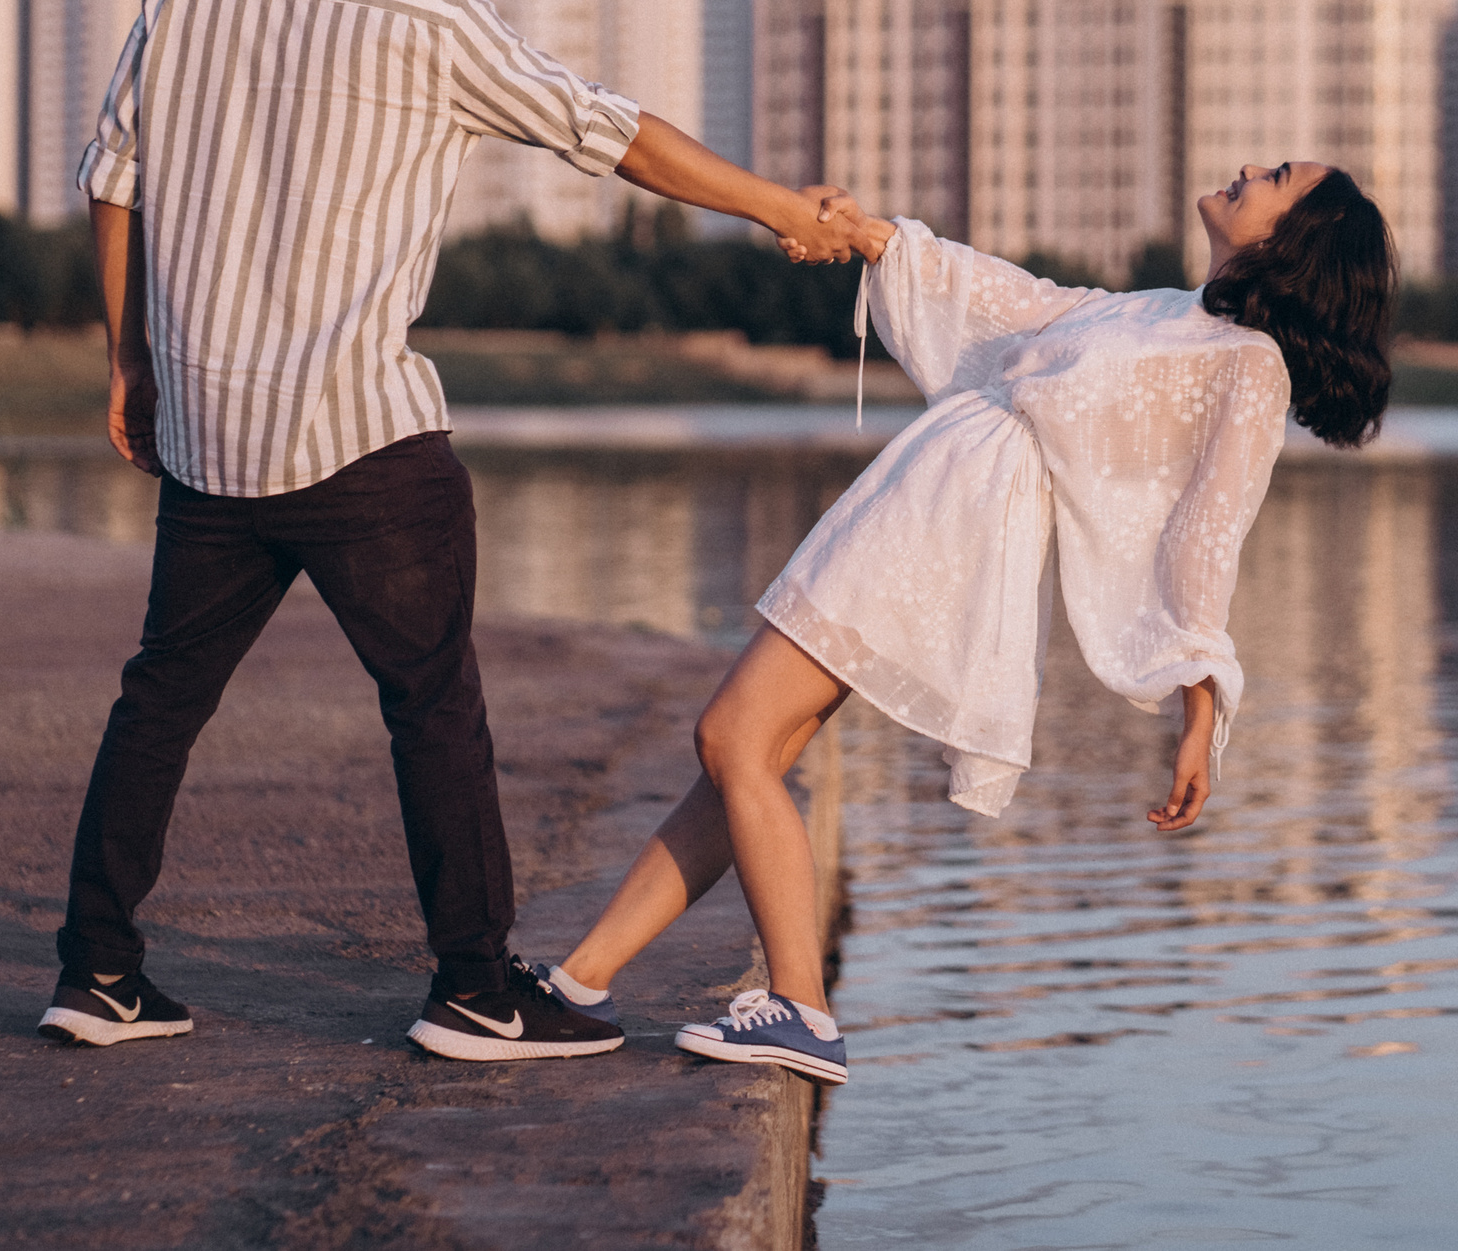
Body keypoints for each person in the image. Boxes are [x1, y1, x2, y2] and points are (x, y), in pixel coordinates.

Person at [36, 0, 857, 1062]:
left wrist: (128, 360)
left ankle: (96, 967)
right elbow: (612, 132)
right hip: (361, 434)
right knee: (435, 704)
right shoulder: (428, 14)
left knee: (162, 694)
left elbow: (113, 178)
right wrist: (778, 208)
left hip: (211, 431)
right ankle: (477, 988)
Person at [524, 161, 1397, 1083]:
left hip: (952, 523)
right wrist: (871, 237)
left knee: (731, 735)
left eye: (1277, 178)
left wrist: (1202, 702)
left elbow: (1206, 533)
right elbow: (1018, 300)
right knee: (752, 750)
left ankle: (802, 1009)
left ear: (1295, 240)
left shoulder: (1249, 367)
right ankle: (583, 981)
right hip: (927, 492)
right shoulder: (1162, 309)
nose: (1248, 168)